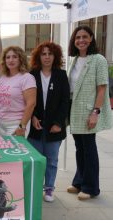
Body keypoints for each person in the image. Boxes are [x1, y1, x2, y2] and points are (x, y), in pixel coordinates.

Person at [66, 25, 112, 200]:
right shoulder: (75, 60)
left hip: (89, 111)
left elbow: (102, 88)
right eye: (78, 37)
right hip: (75, 110)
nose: (81, 40)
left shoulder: (98, 59)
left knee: (89, 149)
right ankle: (79, 182)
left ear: (91, 38)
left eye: (85, 36)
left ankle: (91, 187)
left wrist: (96, 112)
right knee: (80, 148)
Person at [27, 41, 70, 202]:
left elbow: (65, 102)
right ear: (39, 56)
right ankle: (35, 187)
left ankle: (49, 188)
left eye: (50, 54)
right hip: (35, 125)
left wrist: (59, 123)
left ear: (55, 56)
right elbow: (28, 100)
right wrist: (32, 116)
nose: (46, 57)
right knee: (37, 159)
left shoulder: (61, 75)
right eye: (43, 54)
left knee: (52, 160)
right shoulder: (31, 74)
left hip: (55, 126)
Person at [0, 46, 36, 136]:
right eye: (8, 57)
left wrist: (22, 126)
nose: (11, 60)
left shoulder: (27, 78)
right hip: (0, 124)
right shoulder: (3, 78)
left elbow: (31, 103)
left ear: (21, 59)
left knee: (15, 150)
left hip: (15, 125)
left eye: (14, 57)